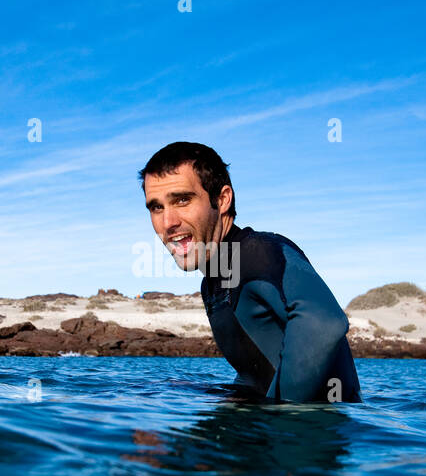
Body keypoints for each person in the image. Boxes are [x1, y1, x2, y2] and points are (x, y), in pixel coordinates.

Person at [139, 141, 362, 403]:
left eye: (183, 200)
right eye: (157, 207)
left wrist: (282, 416)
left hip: (309, 435)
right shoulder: (213, 281)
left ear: (222, 200)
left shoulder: (258, 253)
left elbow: (325, 323)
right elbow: (257, 369)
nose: (168, 223)